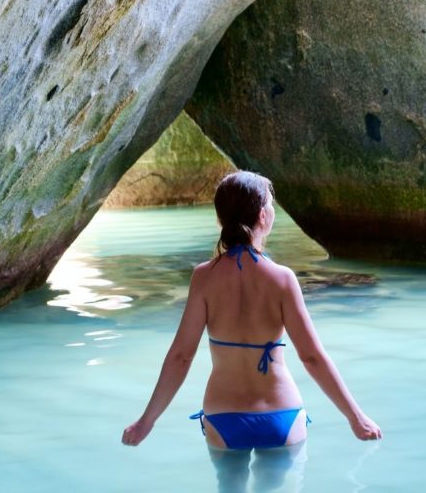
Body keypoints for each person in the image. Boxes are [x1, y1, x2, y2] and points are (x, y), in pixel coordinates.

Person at [122, 171, 381, 453]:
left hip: (223, 417)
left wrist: (146, 421)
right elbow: (311, 357)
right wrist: (356, 417)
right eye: (270, 204)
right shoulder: (282, 279)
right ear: (262, 216)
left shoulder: (203, 278)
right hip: (280, 414)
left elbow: (181, 356)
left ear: (221, 219)